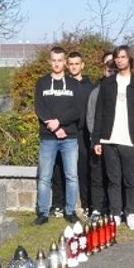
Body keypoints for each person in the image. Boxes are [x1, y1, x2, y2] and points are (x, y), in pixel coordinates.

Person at [92, 46, 134, 230]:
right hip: (109, 140)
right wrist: (97, 140)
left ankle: (130, 214)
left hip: (131, 141)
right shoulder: (107, 84)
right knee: (113, 180)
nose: (119, 60)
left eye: (123, 57)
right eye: (117, 57)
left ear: (129, 59)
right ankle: (115, 214)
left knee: (130, 180)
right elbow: (99, 112)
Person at [33, 47, 81, 225]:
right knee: (45, 177)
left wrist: (59, 123)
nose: (57, 63)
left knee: (71, 176)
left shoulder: (74, 84)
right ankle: (43, 213)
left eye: (60, 60)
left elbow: (77, 110)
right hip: (48, 138)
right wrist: (54, 127)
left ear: (65, 62)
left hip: (69, 137)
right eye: (54, 60)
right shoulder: (42, 83)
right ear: (50, 61)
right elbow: (39, 108)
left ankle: (70, 211)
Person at [50, 51, 92, 217]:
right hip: (64, 131)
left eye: (77, 64)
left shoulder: (90, 86)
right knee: (59, 168)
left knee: (83, 169)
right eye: (71, 64)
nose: (74, 67)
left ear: (82, 65)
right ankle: (58, 204)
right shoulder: (62, 84)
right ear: (67, 65)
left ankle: (87, 204)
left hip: (83, 133)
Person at [86, 52, 115, 221]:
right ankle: (96, 209)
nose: (111, 73)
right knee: (97, 177)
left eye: (114, 71)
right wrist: (95, 137)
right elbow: (90, 118)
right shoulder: (96, 93)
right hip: (98, 141)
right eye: (109, 71)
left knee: (113, 178)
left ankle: (113, 209)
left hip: (115, 142)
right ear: (104, 71)